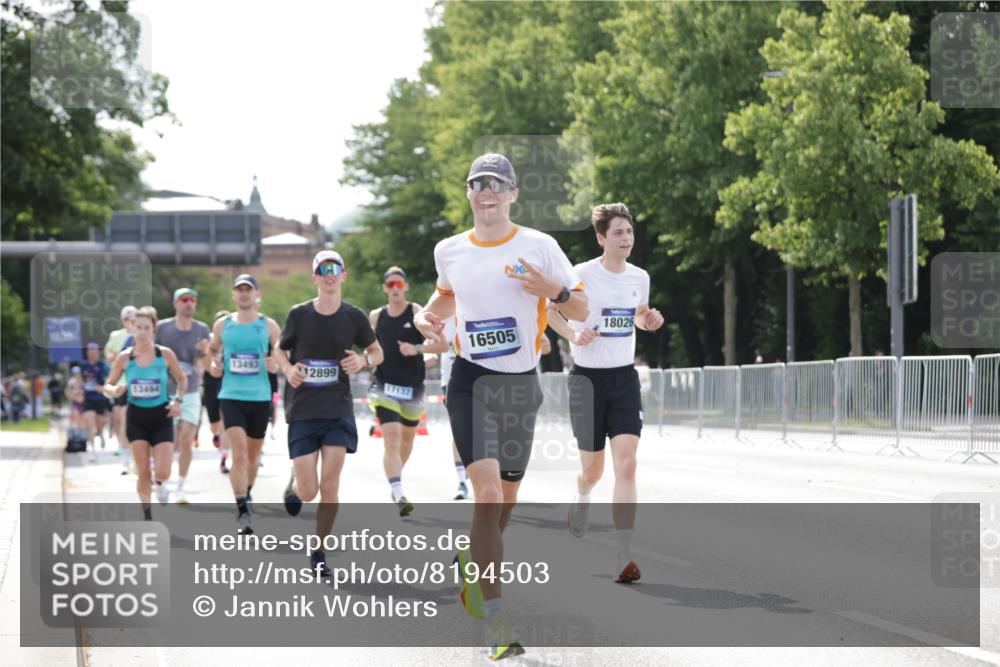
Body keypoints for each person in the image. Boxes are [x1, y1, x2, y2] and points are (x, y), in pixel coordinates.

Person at [414, 153, 588, 660]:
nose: (486, 191)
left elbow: (578, 307)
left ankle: (472, 557)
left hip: (520, 386)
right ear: (468, 193)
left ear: (513, 193)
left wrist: (551, 289)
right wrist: (428, 317)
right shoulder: (449, 250)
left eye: (497, 184)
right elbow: (445, 297)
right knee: (487, 495)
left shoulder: (540, 245)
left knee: (505, 502)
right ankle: (496, 621)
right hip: (470, 381)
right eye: (476, 183)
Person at [546, 202, 664, 585]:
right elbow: (551, 313)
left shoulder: (639, 277)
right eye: (618, 232)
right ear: (601, 238)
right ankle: (582, 495)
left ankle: (623, 553)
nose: (626, 238)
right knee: (592, 470)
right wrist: (573, 333)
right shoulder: (580, 275)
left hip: (623, 380)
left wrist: (648, 320)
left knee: (627, 464)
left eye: (629, 232)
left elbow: (639, 315)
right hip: (586, 381)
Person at [274, 250, 383, 575]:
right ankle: (295, 482)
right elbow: (279, 349)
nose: (330, 273)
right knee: (309, 491)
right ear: (315, 278)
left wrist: (363, 361)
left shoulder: (354, 316)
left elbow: (377, 351)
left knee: (331, 484)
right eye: (323, 269)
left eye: (335, 268)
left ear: (343, 276)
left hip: (337, 408)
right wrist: (288, 368)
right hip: (304, 409)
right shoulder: (299, 314)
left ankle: (319, 549)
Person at [367, 266, 447, 516]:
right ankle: (399, 492)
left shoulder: (416, 312)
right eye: (390, 284)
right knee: (390, 438)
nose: (394, 289)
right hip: (383, 387)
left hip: (412, 387)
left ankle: (395, 478)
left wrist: (417, 349)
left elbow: (442, 345)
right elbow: (369, 348)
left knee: (407, 440)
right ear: (384, 289)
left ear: (405, 287)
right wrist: (364, 360)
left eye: (398, 284)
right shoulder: (376, 316)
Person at [208, 274, 282, 535]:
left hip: (260, 397)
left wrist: (276, 363)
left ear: (256, 294)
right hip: (231, 395)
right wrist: (213, 365)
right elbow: (211, 351)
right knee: (238, 454)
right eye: (239, 290)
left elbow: (283, 354)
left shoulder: (268, 325)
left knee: (252, 458)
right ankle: (242, 509)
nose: (244, 294)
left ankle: (246, 493)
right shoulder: (223, 325)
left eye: (248, 290)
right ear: (234, 295)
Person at [104, 307, 186, 517]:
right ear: (131, 329)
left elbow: (182, 378)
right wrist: (115, 390)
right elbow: (108, 385)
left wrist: (178, 400)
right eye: (138, 327)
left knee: (163, 471)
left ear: (153, 330)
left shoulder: (164, 354)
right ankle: (147, 515)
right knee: (142, 471)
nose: (141, 332)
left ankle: (160, 484)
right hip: (137, 418)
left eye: (146, 328)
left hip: (162, 416)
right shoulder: (125, 358)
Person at [155, 288, 211, 504]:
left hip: (191, 391)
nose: (189, 303)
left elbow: (206, 365)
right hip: (166, 391)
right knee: (170, 442)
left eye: (192, 300)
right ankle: (161, 481)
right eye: (184, 300)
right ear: (176, 304)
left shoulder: (202, 329)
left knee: (187, 441)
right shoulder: (162, 329)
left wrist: (205, 352)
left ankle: (180, 486)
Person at [438, 315, 469, 500]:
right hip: (451, 382)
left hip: (482, 380)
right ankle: (462, 482)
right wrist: (426, 354)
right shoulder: (444, 315)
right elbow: (429, 339)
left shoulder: (479, 308)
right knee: (459, 432)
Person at [106, 305, 138, 472]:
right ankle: (126, 457)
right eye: (127, 319)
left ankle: (137, 456)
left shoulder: (144, 334)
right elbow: (110, 356)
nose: (130, 322)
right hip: (123, 383)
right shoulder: (117, 336)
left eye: (134, 318)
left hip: (141, 384)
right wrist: (121, 357)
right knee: (123, 419)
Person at [203, 310, 231, 473]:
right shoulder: (208, 343)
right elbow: (203, 365)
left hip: (228, 383)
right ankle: (217, 436)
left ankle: (224, 459)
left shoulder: (235, 340)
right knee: (215, 424)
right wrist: (211, 362)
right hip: (211, 384)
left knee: (226, 423)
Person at [80, 343, 110, 459]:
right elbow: (79, 380)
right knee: (90, 425)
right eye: (91, 351)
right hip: (88, 399)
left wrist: (103, 388)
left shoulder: (103, 366)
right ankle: (92, 451)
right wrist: (78, 389)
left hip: (100, 399)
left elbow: (109, 380)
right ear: (87, 353)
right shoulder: (83, 366)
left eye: (95, 351)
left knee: (99, 424)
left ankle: (101, 433)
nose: (93, 353)